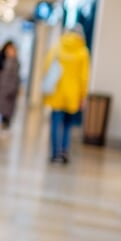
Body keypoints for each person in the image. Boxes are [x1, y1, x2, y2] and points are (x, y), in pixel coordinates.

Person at [43, 27, 91, 164]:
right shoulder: (83, 52)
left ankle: (54, 153)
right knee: (67, 125)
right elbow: (84, 77)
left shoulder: (58, 46)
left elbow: (47, 65)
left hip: (57, 92)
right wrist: (83, 96)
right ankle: (64, 151)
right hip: (73, 94)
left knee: (55, 123)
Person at [0, 41, 21, 129]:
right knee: (1, 109)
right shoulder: (3, 60)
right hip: (2, 88)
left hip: (9, 90)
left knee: (7, 111)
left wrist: (12, 89)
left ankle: (5, 126)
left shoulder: (15, 62)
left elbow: (15, 78)